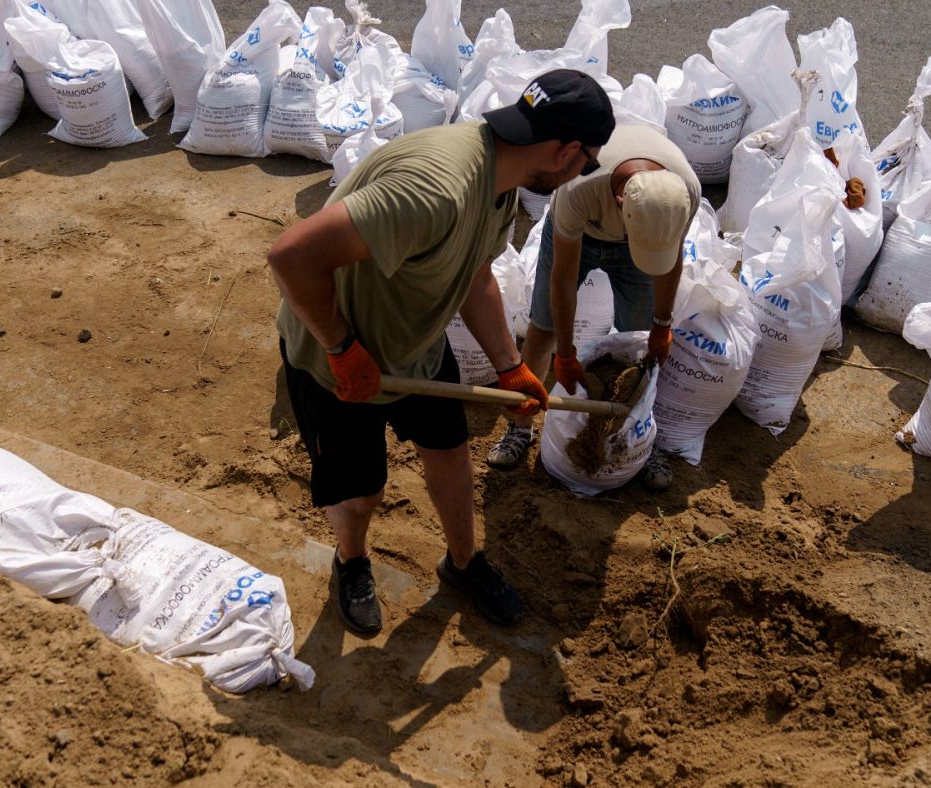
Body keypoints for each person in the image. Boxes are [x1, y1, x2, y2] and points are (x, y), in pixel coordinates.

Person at [267, 69, 616, 637]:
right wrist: (343, 348)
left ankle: (463, 562)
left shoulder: (501, 180)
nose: (583, 175)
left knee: (451, 455)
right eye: (588, 164)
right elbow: (291, 256)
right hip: (335, 362)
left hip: (418, 343)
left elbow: (476, 276)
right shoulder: (435, 188)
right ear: (566, 152)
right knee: (361, 492)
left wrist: (510, 367)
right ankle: (352, 561)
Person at [485, 123, 702, 489]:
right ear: (620, 202)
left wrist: (662, 325)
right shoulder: (580, 185)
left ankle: (638, 434)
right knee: (542, 330)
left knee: (639, 341)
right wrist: (565, 354)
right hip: (580, 235)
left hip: (639, 235)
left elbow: (671, 259)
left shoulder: (684, 192)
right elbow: (564, 278)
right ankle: (520, 427)